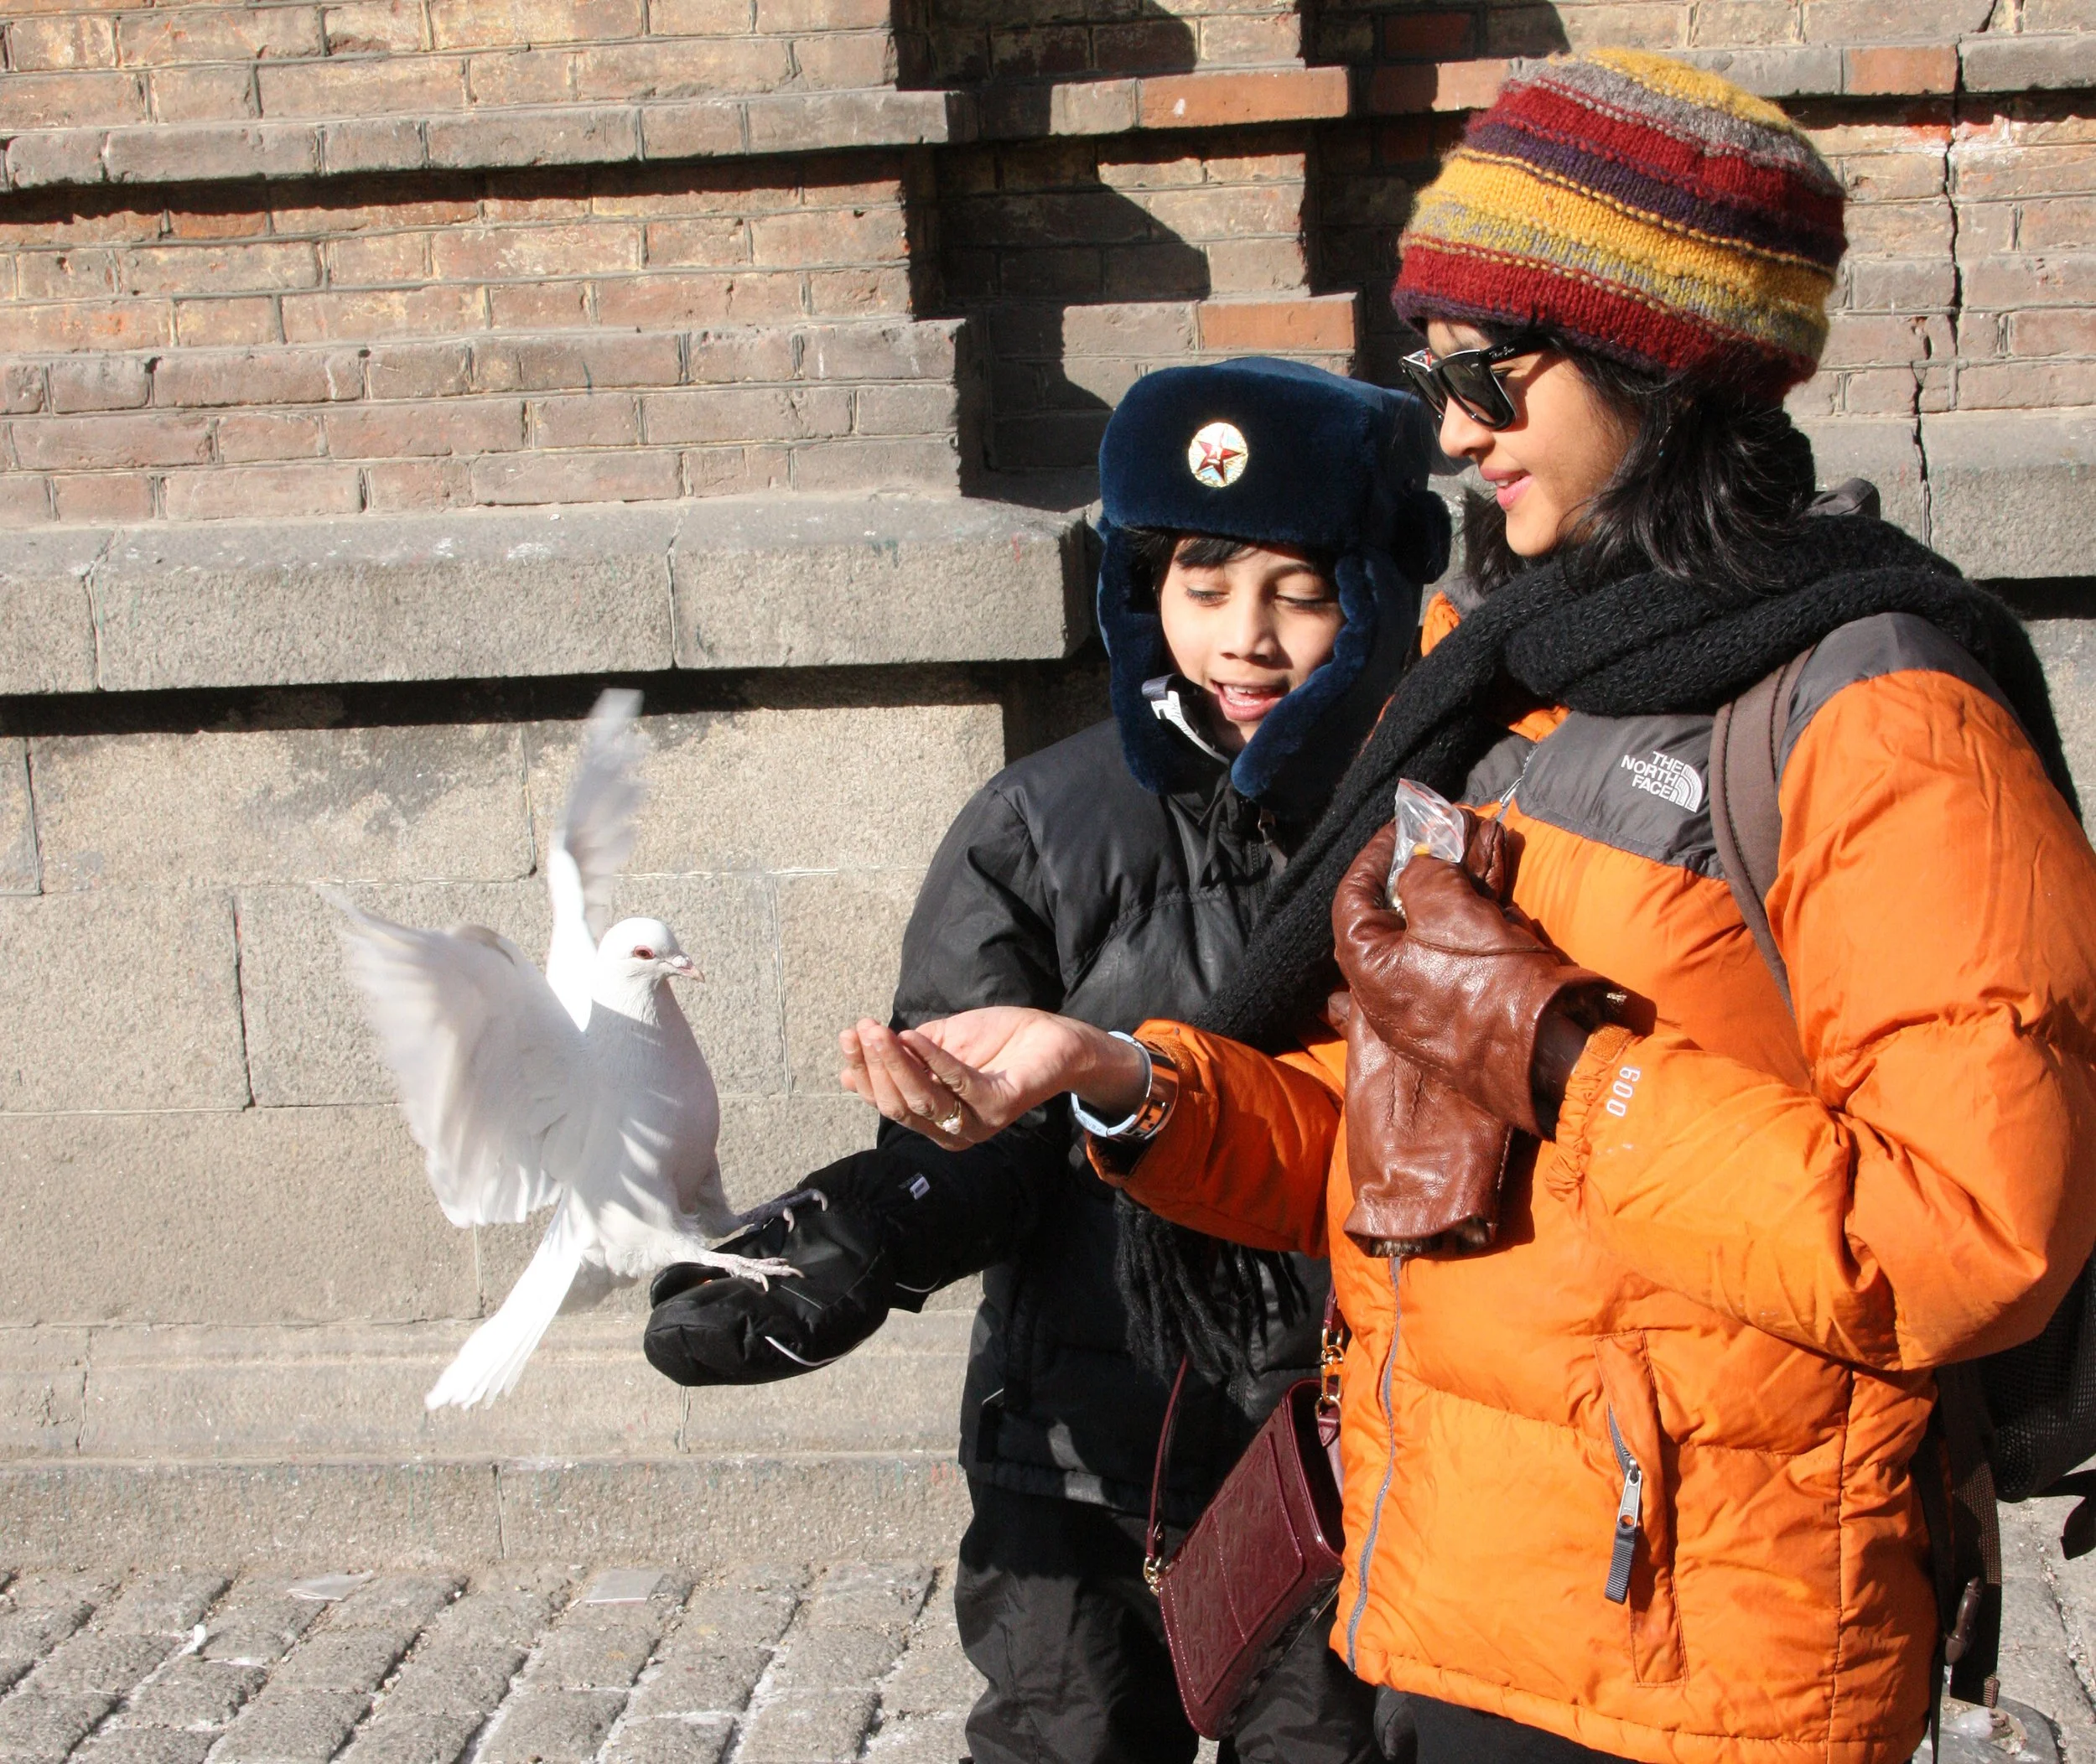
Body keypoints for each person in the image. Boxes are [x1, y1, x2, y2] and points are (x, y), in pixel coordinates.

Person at [839, 49, 2096, 1764]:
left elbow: (1964, 1236)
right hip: (1438, 1614)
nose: (1450, 426)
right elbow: (1393, 1159)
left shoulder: (1879, 716)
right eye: (1432, 369)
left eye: (1491, 370)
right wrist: (1116, 1076)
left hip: (1698, 1663)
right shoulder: (1497, 682)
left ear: (1659, 360)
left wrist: (1565, 1054)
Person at [648, 357, 1450, 1764]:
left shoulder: (1446, 828)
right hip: (1078, 1452)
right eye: (1203, 591)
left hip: (1338, 1451)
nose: (1245, 642)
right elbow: (976, 1140)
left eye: (1299, 594)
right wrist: (865, 1231)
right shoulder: (1038, 822)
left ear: (1375, 595)